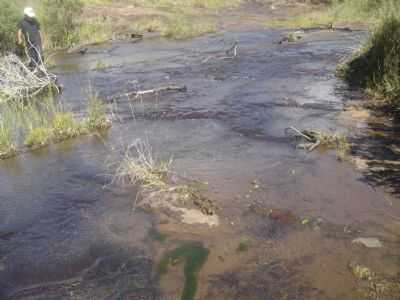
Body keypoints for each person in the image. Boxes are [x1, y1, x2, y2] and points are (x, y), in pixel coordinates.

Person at [17, 7, 44, 71]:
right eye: (29, 16)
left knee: (39, 54)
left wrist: (42, 42)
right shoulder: (22, 22)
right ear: (25, 15)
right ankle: (35, 69)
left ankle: (41, 67)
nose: (31, 17)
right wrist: (19, 39)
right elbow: (19, 31)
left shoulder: (35, 20)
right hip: (29, 42)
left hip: (37, 40)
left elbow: (39, 31)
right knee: (32, 55)